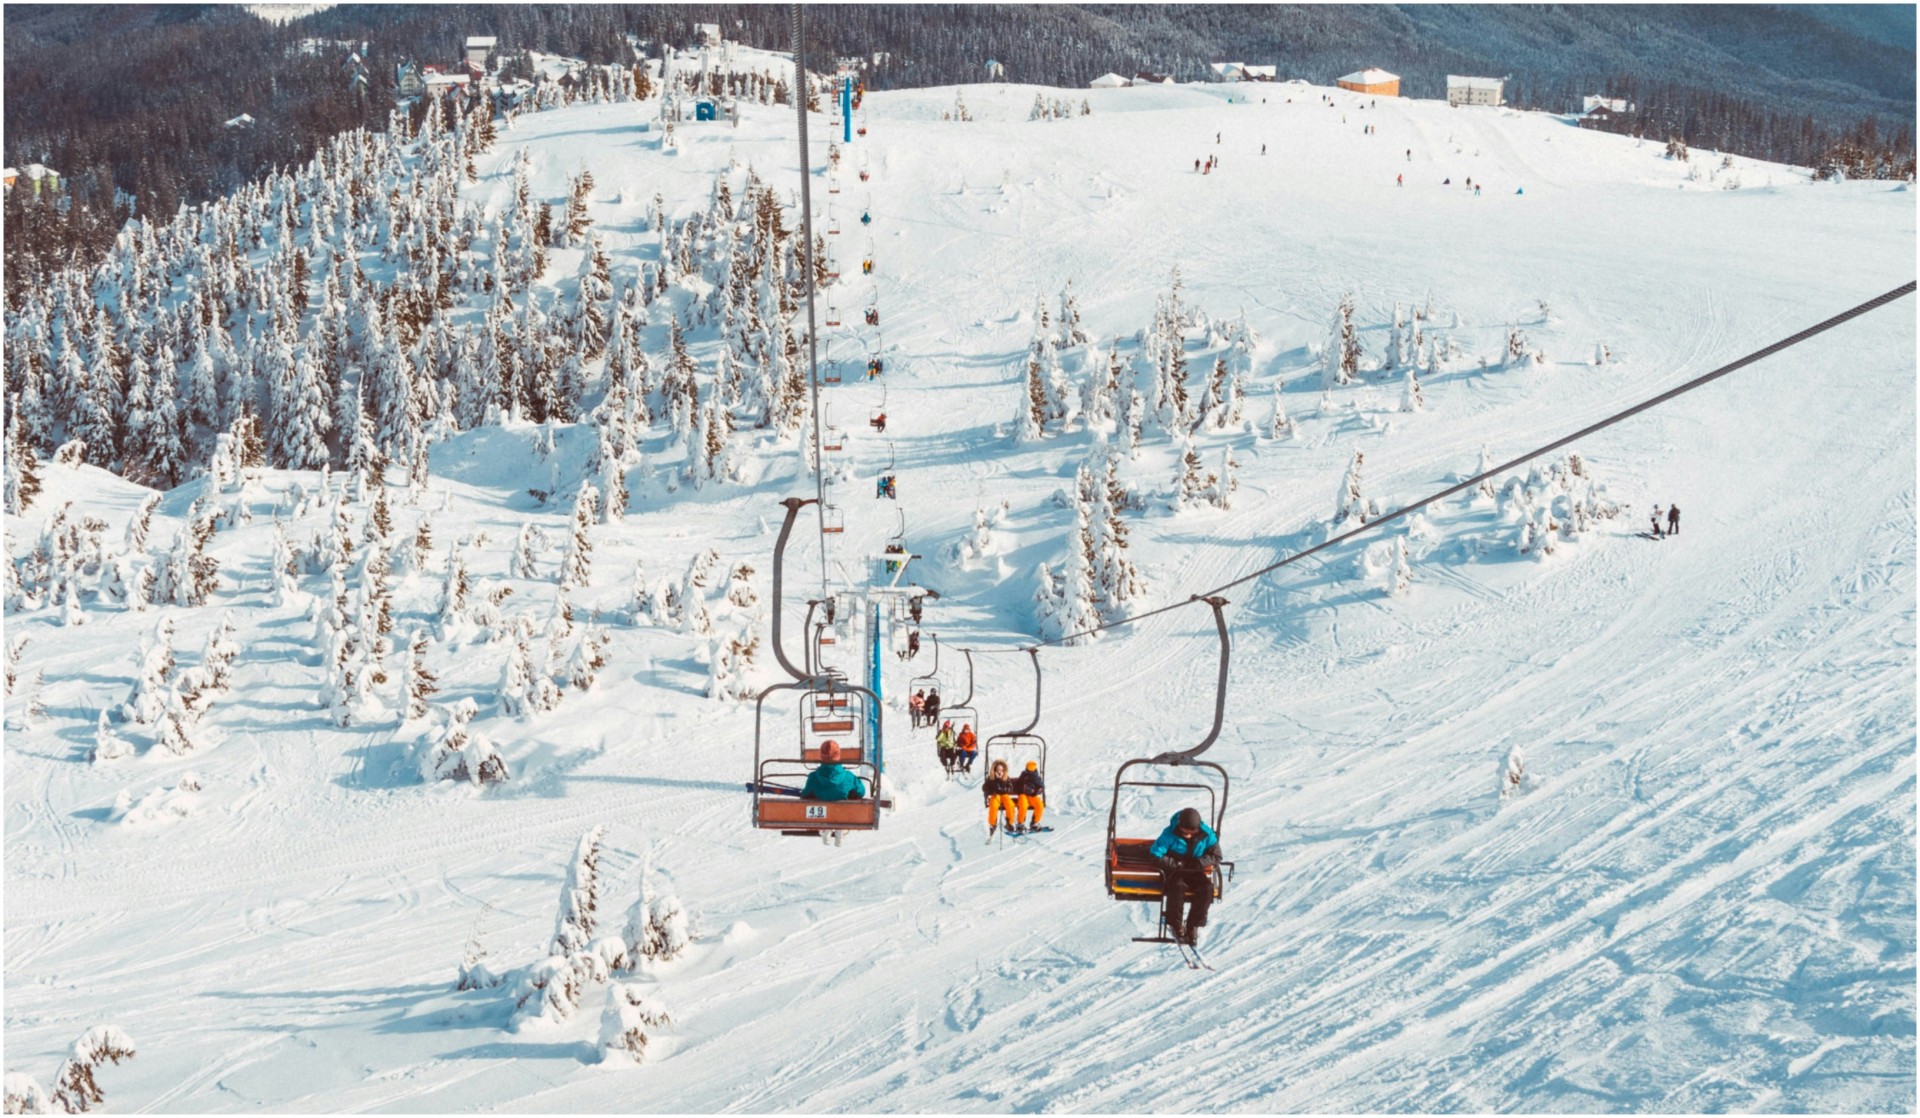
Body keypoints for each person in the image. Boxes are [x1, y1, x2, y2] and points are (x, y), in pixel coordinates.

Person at [1150, 807, 1223, 946]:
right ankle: (1176, 925)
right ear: (1179, 827)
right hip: (1175, 871)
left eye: (1192, 832)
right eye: (1184, 832)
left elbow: (1216, 855)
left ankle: (1192, 925)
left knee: (1207, 889)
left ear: (1197, 828)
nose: (1188, 835)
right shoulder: (1169, 834)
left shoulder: (1207, 834)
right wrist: (1175, 864)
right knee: (1177, 888)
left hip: (1195, 870)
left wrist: (1199, 863)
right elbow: (1155, 854)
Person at [984, 760, 1020, 834]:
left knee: (1010, 805)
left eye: (1001, 770)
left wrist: (1003, 783)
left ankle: (1009, 823)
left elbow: (1010, 788)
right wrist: (993, 784)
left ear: (1004, 771)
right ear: (994, 770)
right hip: (995, 795)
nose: (999, 772)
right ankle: (992, 824)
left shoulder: (1006, 778)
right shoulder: (991, 778)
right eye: (998, 770)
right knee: (993, 806)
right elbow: (985, 787)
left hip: (1004, 795)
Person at [1015, 760, 1045, 832]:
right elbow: (1019, 785)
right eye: (1028, 770)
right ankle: (1020, 823)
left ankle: (1034, 823)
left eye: (1031, 770)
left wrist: (1035, 791)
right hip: (1023, 794)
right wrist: (1025, 789)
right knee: (1023, 805)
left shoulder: (1036, 777)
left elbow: (1041, 787)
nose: (1029, 772)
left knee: (1040, 805)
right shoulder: (1024, 775)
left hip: (1032, 795)